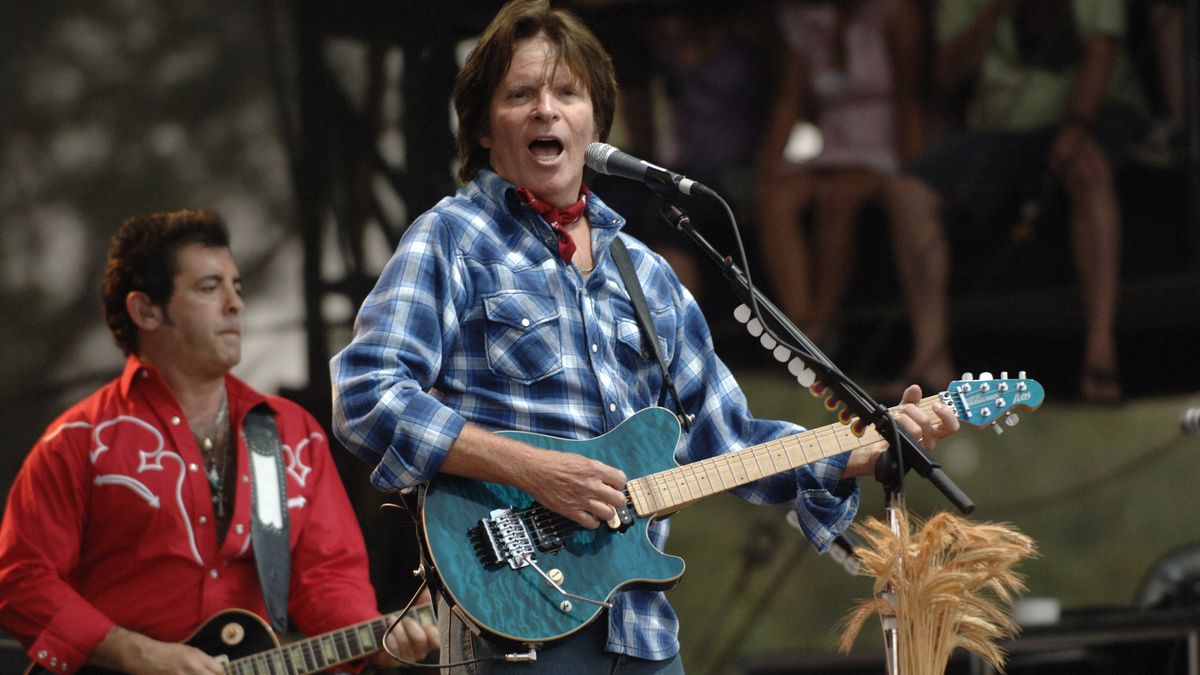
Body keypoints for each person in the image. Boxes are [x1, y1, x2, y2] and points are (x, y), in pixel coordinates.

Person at [330, 1, 958, 673]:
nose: (546, 109)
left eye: (566, 93)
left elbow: (732, 441)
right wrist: (536, 471)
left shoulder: (649, 273)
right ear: (485, 127)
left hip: (644, 634)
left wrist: (857, 448)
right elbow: (367, 394)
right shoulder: (451, 237)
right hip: (512, 628)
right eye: (520, 94)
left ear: (595, 121)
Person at [0, 209, 437, 674]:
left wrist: (380, 641)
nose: (235, 304)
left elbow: (327, 578)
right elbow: (21, 580)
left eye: (238, 288)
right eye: (209, 288)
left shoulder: (292, 435)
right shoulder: (78, 440)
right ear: (146, 310)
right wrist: (138, 654)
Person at [883, 0, 1147, 404]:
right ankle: (931, 356)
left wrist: (1075, 127)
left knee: (1086, 168)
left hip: (1092, 113)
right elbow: (947, 74)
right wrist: (994, 12)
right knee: (908, 192)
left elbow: (1101, 49)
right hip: (1000, 127)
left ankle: (1101, 350)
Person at [754, 0, 927, 350]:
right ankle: (798, 327)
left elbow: (912, 98)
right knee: (773, 198)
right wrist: (765, 171)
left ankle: (822, 326)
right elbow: (789, 104)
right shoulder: (808, 22)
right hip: (830, 150)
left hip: (882, 150)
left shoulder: (893, 14)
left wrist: (918, 171)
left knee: (839, 196)